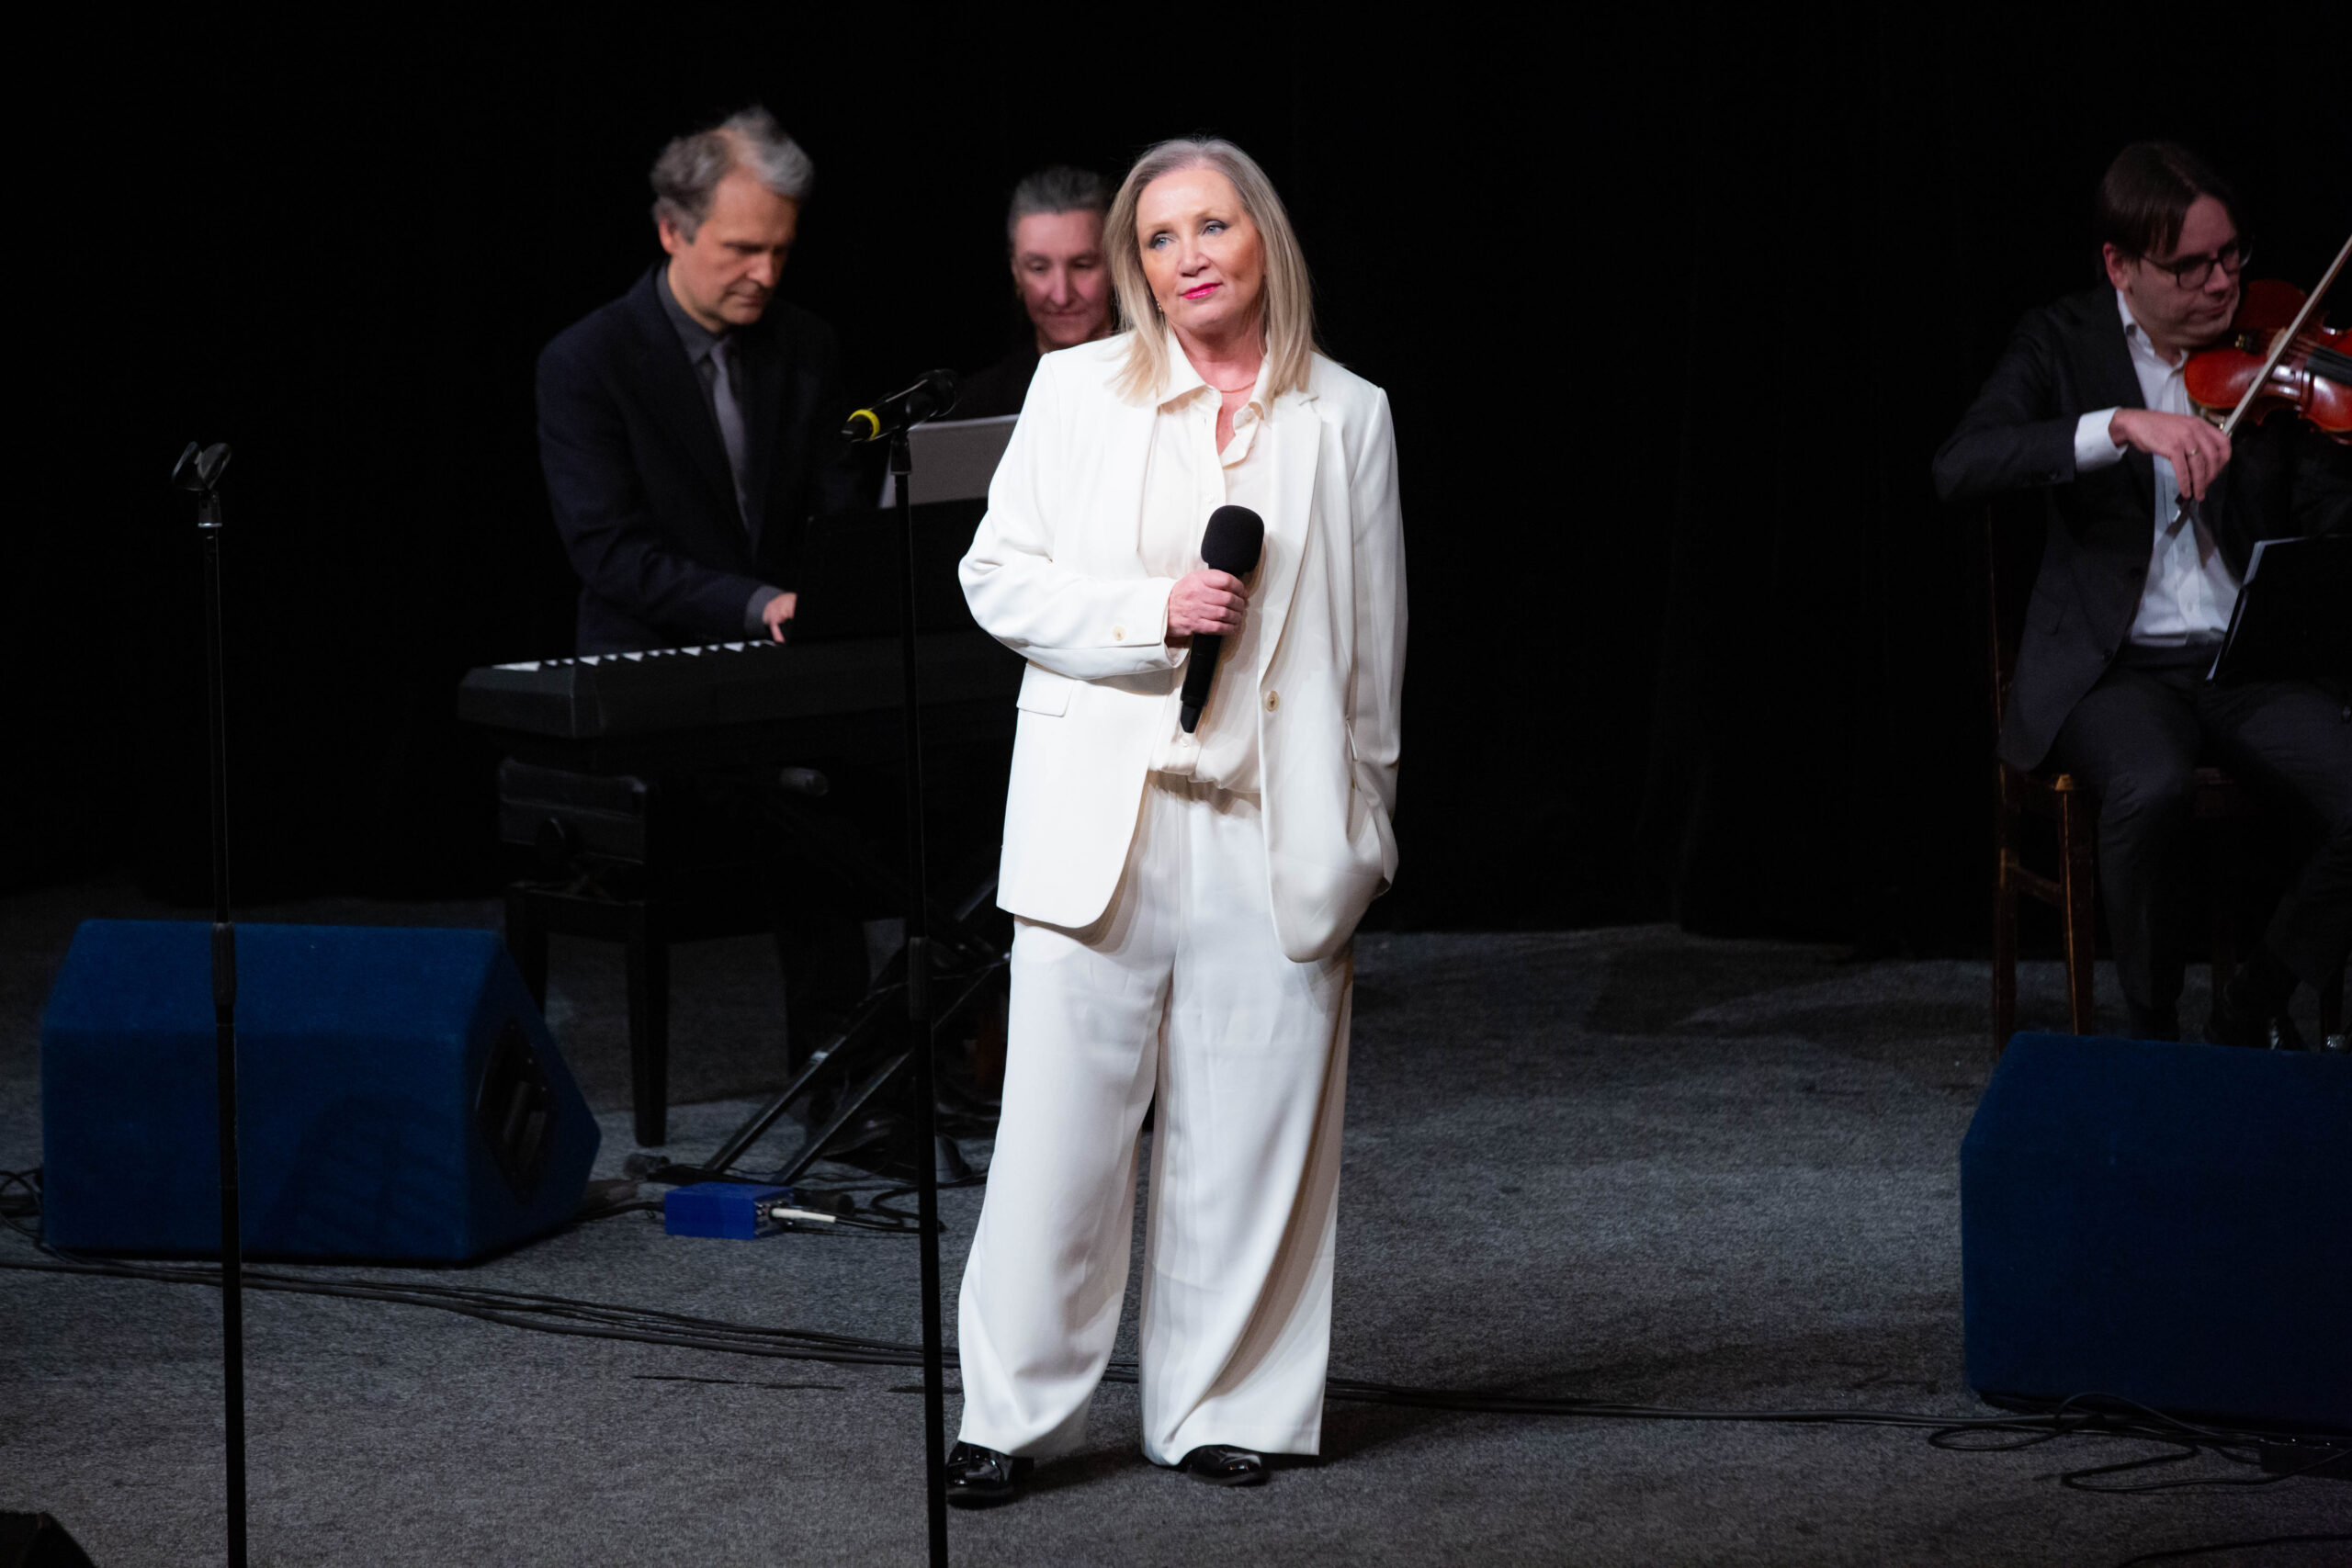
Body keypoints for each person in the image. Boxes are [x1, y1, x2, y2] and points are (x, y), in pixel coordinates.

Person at [944, 137, 1407, 1505]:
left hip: (1272, 825)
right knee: (1058, 1139)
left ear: (1263, 238)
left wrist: (1363, 828)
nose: (1188, 256)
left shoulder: (1347, 412)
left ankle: (1224, 1404)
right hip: (1106, 817)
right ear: (1137, 268)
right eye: (1159, 237)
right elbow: (997, 575)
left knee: (1251, 1137)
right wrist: (1152, 612)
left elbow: (1374, 654)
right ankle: (1012, 1417)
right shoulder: (1079, 388)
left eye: (1212, 226)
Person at [1934, 141, 2351, 1049]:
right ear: (2120, 266)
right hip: (2115, 668)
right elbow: (1961, 464)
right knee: (2149, 786)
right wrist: (2119, 425)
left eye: (2231, 253)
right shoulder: (2062, 341)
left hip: (2245, 662)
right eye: (2190, 266)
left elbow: (2328, 514)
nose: (2222, 283)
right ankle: (2153, 1032)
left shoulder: (2274, 349)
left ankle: (2252, 1000)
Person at [538, 107, 853, 654]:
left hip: (793, 661)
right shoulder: (587, 361)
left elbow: (838, 511)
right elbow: (611, 552)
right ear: (671, 231)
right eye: (743, 249)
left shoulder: (807, 346)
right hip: (647, 665)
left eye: (780, 250)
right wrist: (756, 604)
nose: (766, 275)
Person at [955, 165, 1116, 421]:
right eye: (1039, 268)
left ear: (1116, 265)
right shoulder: (976, 409)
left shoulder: (1168, 384)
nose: (1061, 296)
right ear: (1016, 272)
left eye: (1082, 265)